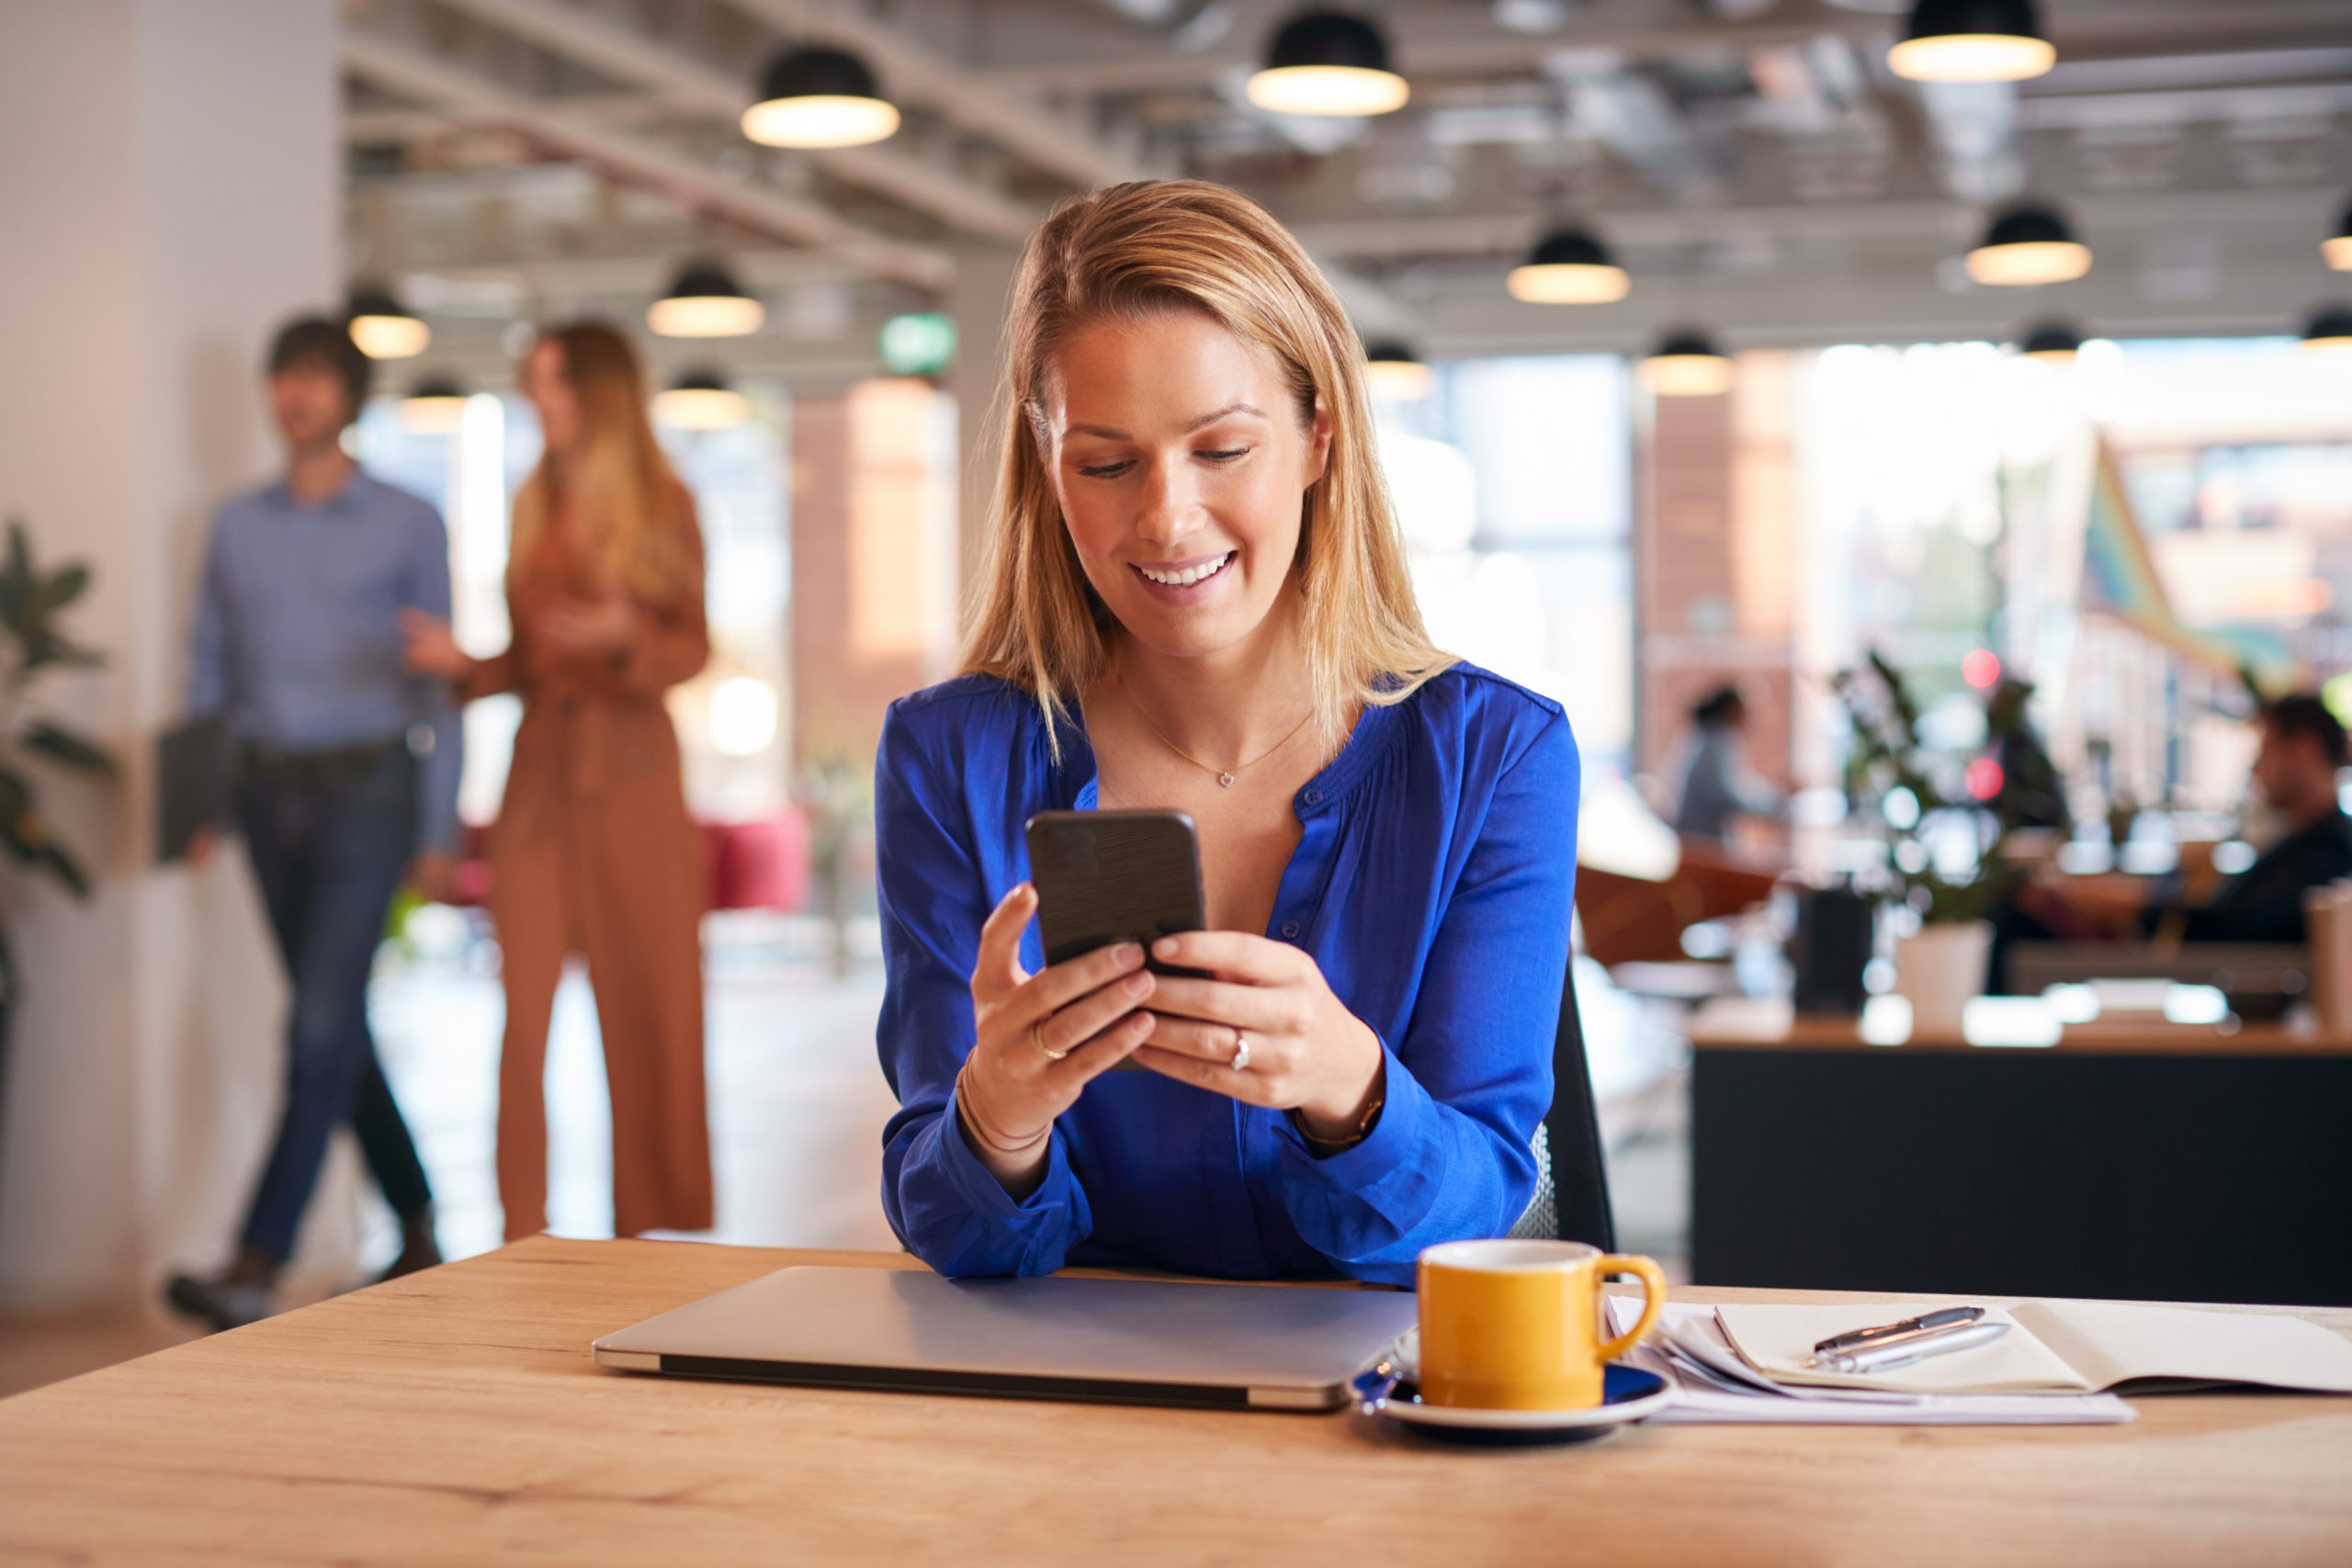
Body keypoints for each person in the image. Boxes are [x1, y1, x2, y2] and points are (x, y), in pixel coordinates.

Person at [873, 179, 1577, 1288]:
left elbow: (1477, 1228)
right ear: (1046, 466)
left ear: (1317, 436)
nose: (1164, 517)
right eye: (1106, 464)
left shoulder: (1494, 758)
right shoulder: (949, 759)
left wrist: (1349, 1085)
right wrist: (995, 1123)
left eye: (1222, 450)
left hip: (1380, 1419)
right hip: (1072, 1405)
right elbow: (955, 1233)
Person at [164, 316, 459, 1331]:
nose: (295, 396)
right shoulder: (235, 526)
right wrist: (196, 804)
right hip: (262, 795)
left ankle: (256, 1261)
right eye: (282, 378)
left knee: (318, 1025)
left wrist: (441, 827)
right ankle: (420, 1228)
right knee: (337, 1030)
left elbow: (437, 688)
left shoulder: (410, 521)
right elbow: (207, 669)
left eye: (315, 379)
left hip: (368, 794)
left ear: (349, 396)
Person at [402, 322, 713, 1243]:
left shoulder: (665, 502)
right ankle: (518, 1229)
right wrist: (468, 667)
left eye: (555, 384)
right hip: (539, 778)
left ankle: (645, 1230)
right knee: (522, 1012)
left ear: (599, 392)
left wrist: (622, 638)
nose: (540, 400)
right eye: (533, 383)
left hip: (632, 774)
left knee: (648, 1003)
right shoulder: (533, 496)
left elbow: (691, 647)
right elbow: (533, 662)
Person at [1988, 693, 2352, 990]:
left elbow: (2239, 929)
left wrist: (2134, 907)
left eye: (2265, 749)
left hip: (2194, 975)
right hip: (2187, 962)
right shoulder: (2304, 839)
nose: (2255, 768)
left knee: (2014, 914)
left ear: (2305, 750)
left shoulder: (2328, 849)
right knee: (2026, 899)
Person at [1670, 683, 1778, 844]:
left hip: (1701, 837)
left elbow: (1739, 784)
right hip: (1700, 841)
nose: (1747, 717)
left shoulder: (1709, 738)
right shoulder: (1715, 742)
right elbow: (1727, 795)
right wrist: (1773, 799)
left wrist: (1772, 794)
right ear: (1730, 709)